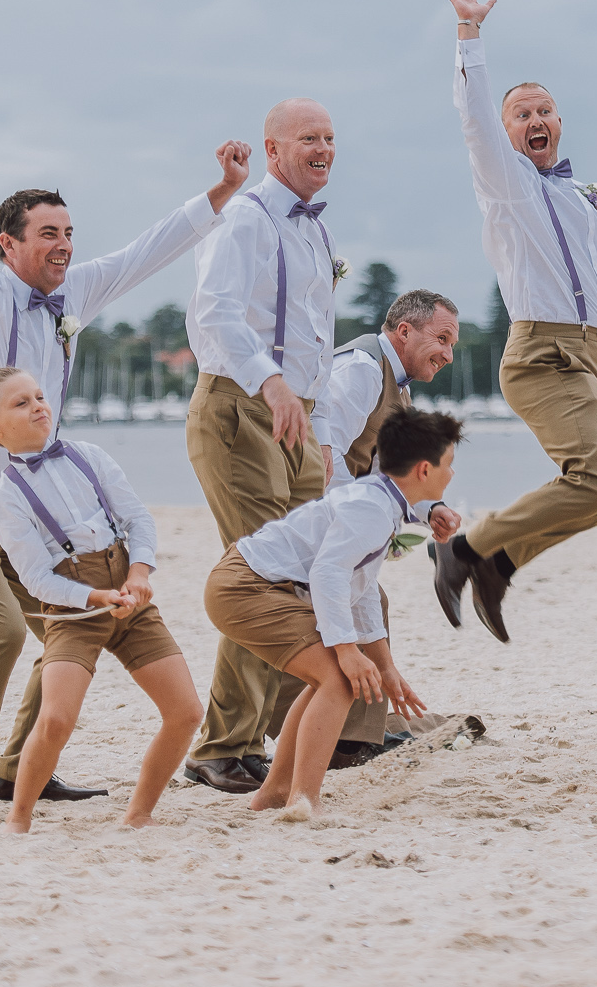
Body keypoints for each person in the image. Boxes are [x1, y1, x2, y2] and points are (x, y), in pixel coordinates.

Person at [0, 122, 244, 808]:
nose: (63, 245)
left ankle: (18, 769)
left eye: (67, 232)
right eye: (47, 234)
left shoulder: (75, 294)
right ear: (10, 244)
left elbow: (150, 249)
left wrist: (225, 189)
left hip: (22, 499)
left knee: (69, 623)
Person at [431, 0, 597, 641]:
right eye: (521, 114)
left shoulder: (587, 198)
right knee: (592, 481)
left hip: (588, 361)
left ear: (560, 122)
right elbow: (474, 121)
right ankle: (465, 549)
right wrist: (470, 38)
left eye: (544, 111)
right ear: (510, 133)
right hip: (541, 357)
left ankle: (501, 561)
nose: (534, 120)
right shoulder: (505, 186)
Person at [181, 98, 347, 795]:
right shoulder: (246, 218)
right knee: (263, 577)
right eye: (310, 137)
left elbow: (320, 338)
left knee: (299, 575)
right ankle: (224, 746)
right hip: (239, 410)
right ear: (273, 150)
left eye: (331, 138)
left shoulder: (314, 230)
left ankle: (255, 736)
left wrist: (327, 429)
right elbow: (213, 312)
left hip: (299, 419)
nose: (324, 148)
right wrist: (271, 383)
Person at [0, 367, 203, 832]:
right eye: (21, 403)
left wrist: (138, 574)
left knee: (187, 712)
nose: (38, 407)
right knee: (55, 719)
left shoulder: (89, 455)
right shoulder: (7, 497)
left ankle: (139, 814)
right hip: (73, 611)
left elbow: (138, 521)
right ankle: (19, 820)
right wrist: (94, 595)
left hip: (131, 604)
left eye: (39, 396)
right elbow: (36, 580)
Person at [202, 407, 462, 819]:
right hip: (246, 586)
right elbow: (328, 573)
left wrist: (385, 666)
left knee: (331, 679)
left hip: (253, 585)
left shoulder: (379, 502)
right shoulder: (372, 508)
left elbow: (360, 593)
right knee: (340, 679)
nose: (452, 475)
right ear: (425, 470)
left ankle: (273, 794)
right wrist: (345, 650)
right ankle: (304, 798)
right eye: (450, 465)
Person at [294, 288, 465, 765]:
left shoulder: (397, 381)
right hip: (306, 507)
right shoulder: (363, 371)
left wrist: (428, 510)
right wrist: (366, 522)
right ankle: (348, 738)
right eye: (442, 339)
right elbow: (323, 455)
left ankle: (357, 734)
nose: (449, 355)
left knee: (369, 599)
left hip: (336, 510)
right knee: (357, 599)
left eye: (453, 344)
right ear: (404, 331)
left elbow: (391, 468)